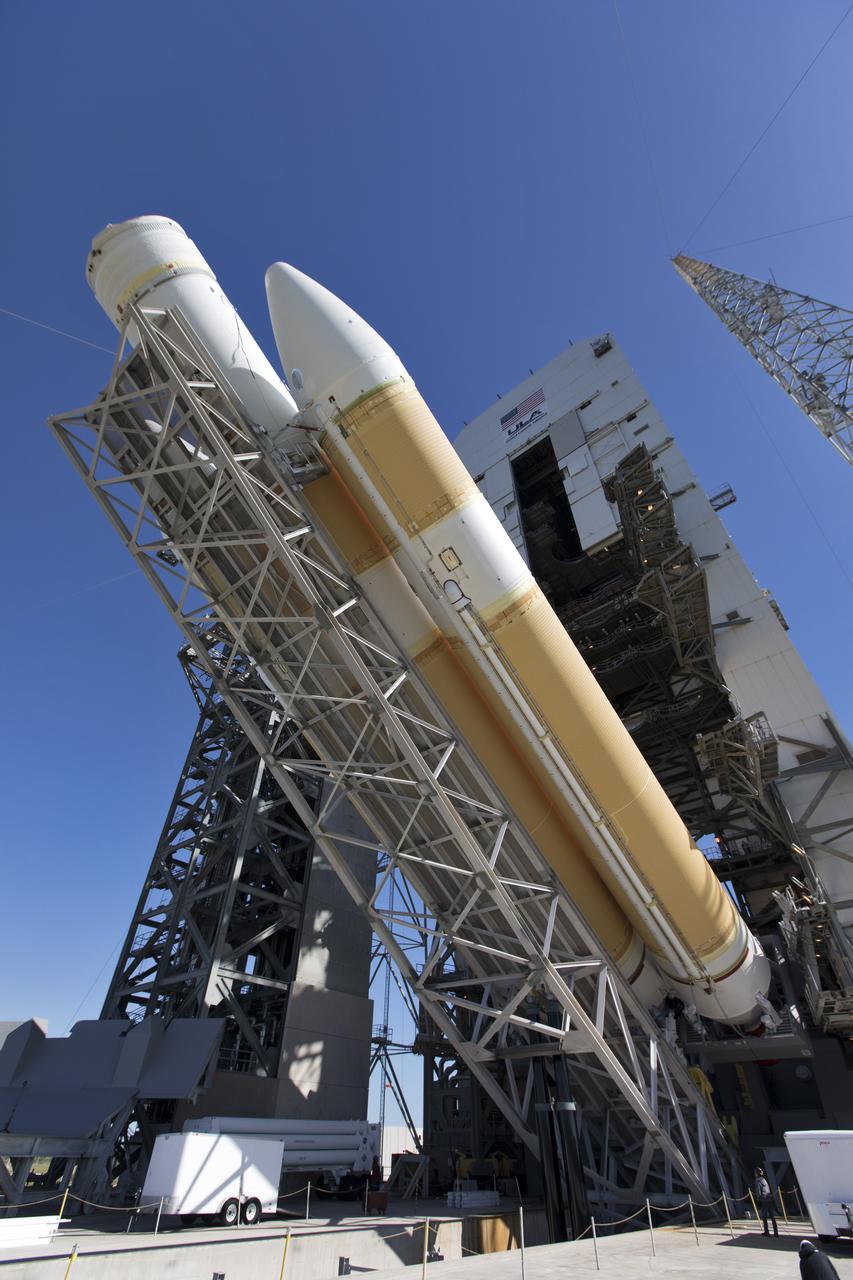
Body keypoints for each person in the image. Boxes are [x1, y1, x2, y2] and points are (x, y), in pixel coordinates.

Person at [754, 1167, 778, 1237]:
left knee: (764, 1217)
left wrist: (758, 1200)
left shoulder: (757, 1180)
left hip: (763, 1200)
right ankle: (776, 1232)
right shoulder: (764, 1180)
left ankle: (766, 1232)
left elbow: (758, 1192)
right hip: (769, 1199)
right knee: (772, 1217)